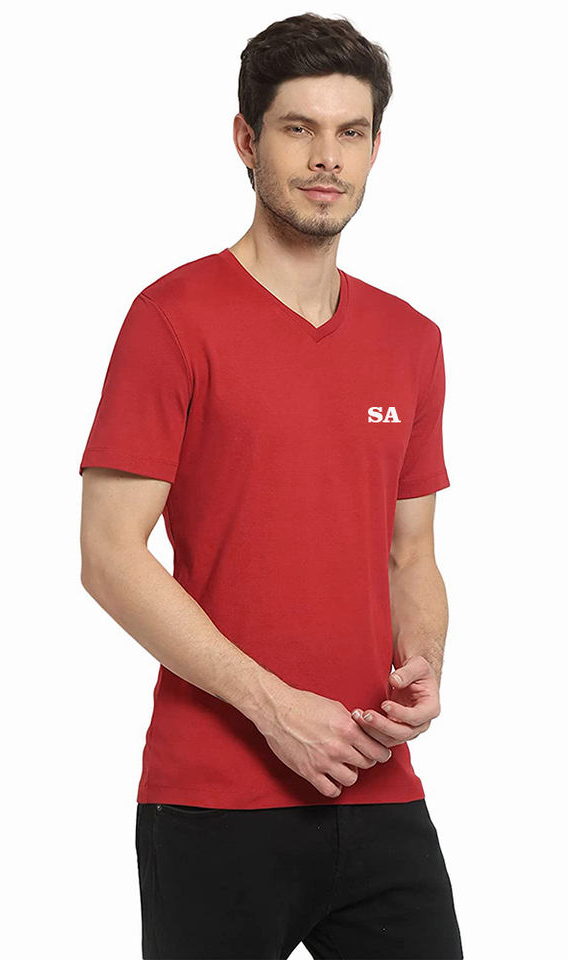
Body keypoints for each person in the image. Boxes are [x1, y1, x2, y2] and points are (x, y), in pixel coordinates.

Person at [78, 12, 464, 959]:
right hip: (213, 801)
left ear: (375, 149)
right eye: (299, 128)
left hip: (378, 790)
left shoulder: (412, 340)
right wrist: (273, 706)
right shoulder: (171, 320)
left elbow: (410, 553)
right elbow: (108, 556)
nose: (328, 157)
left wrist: (425, 662)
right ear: (247, 141)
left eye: (351, 132)